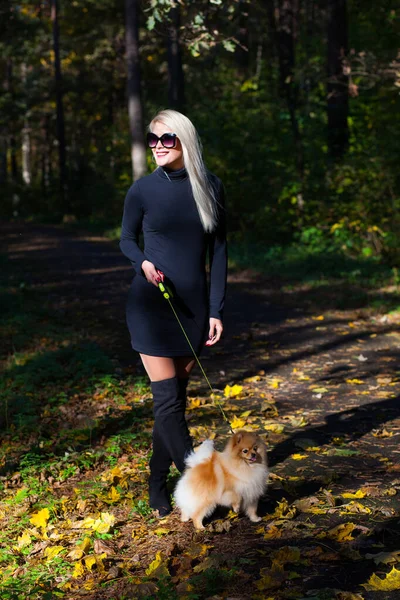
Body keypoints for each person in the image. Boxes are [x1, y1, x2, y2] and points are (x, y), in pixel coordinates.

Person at [119, 109, 227, 516]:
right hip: (150, 305)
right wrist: (143, 264)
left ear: (184, 142)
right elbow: (127, 239)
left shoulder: (210, 187)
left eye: (167, 139)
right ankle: (199, 481)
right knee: (166, 401)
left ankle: (155, 487)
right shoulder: (142, 190)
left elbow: (219, 253)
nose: (158, 146)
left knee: (172, 404)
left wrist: (216, 309)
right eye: (153, 139)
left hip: (193, 309)